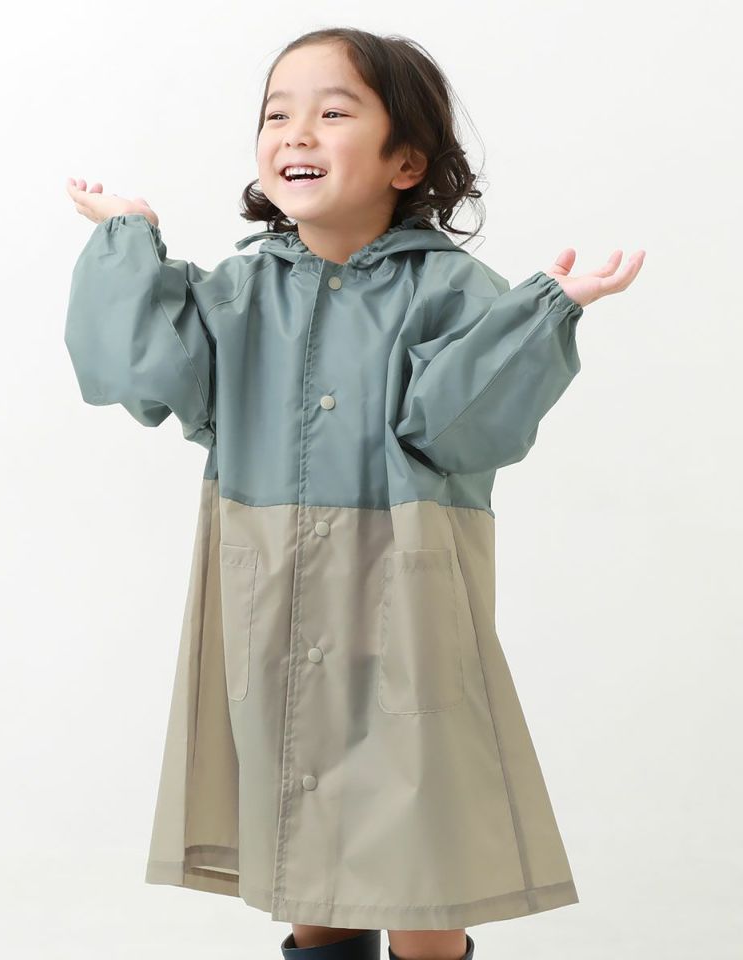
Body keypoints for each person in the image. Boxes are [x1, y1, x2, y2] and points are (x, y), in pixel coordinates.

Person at [64, 26, 645, 960]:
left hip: (403, 606)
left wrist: (543, 316)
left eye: (333, 112)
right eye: (277, 114)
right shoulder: (239, 294)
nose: (297, 132)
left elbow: (458, 427)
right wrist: (129, 236)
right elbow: (138, 373)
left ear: (405, 161)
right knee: (310, 870)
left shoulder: (452, 292)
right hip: (274, 600)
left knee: (421, 879)